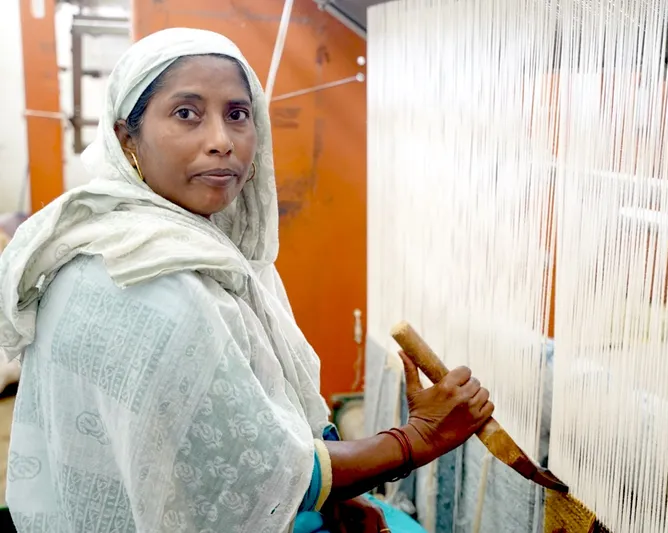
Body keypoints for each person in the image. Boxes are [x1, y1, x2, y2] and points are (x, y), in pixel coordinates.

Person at [0, 28, 494, 533]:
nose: (221, 142)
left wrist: (329, 505)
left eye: (237, 115)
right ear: (128, 137)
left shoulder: (149, 247)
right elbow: (264, 479)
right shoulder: (146, 278)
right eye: (186, 113)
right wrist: (418, 439)